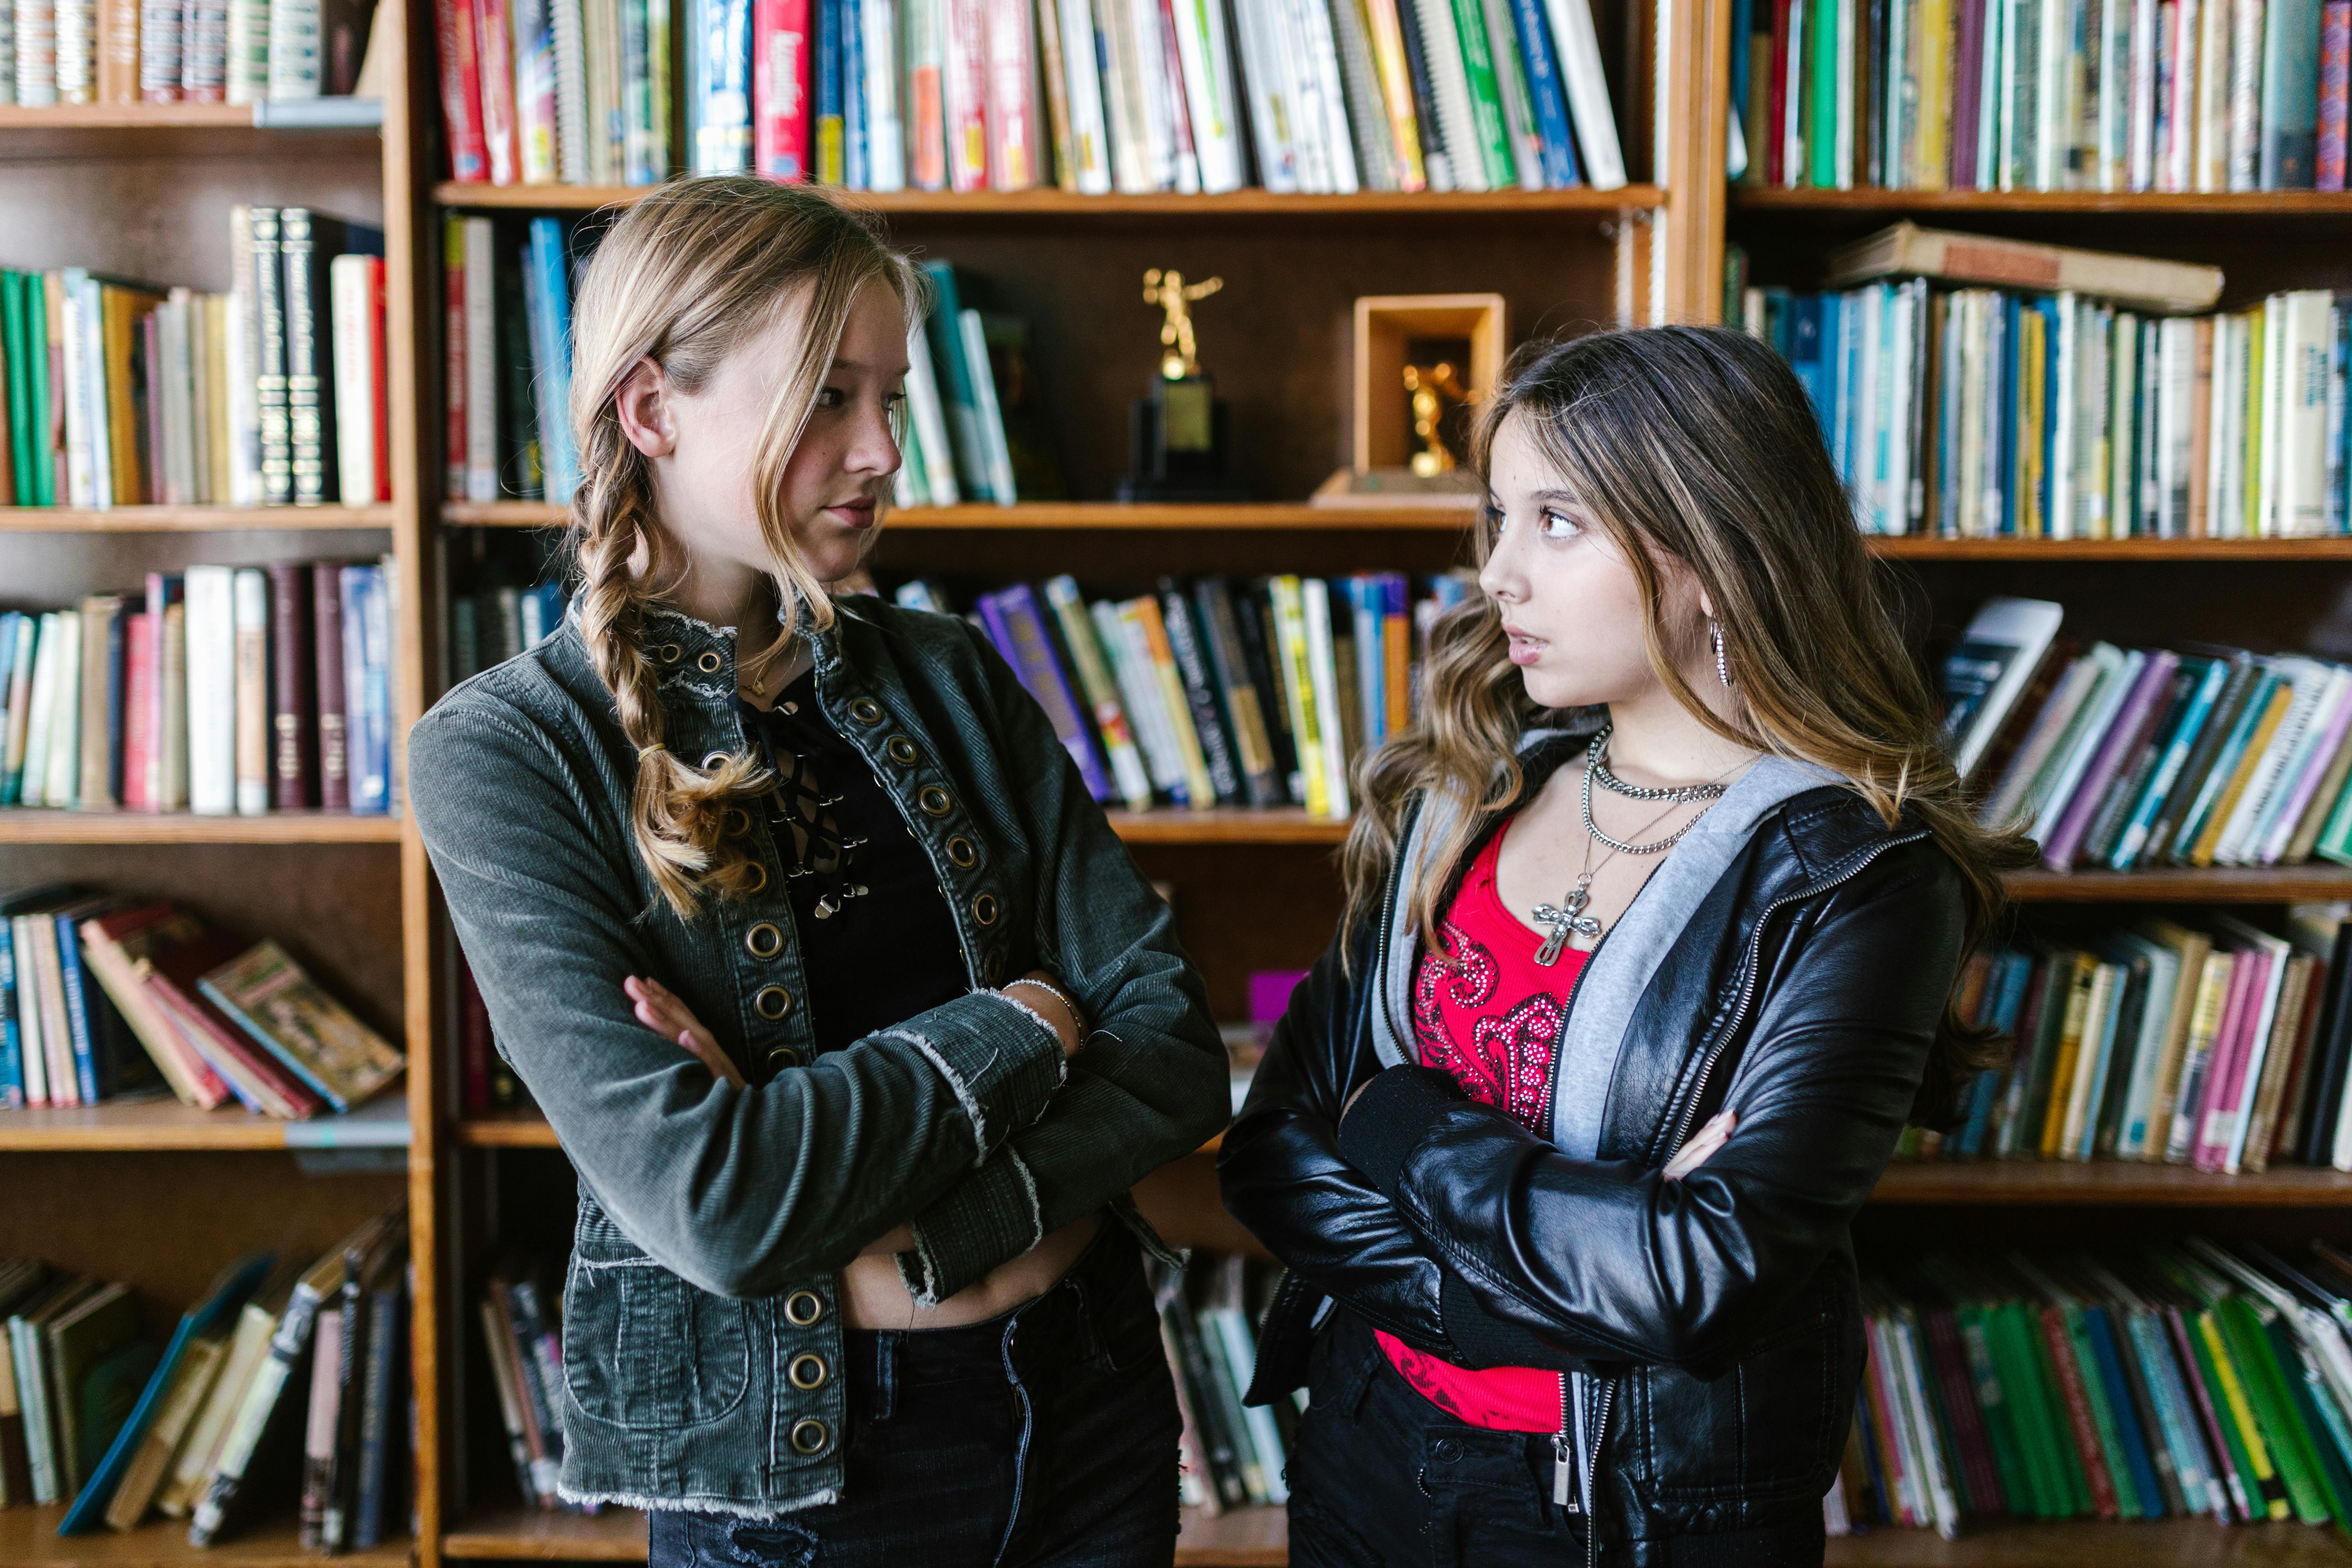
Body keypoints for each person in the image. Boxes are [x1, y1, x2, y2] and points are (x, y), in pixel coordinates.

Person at [408, 176, 1229, 1568]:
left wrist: (879, 1202)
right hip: (803, 1483)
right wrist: (1029, 1020)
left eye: (890, 400)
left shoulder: (956, 675)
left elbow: (1173, 1050)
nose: (880, 454)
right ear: (653, 410)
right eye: (827, 398)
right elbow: (722, 1204)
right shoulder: (505, 754)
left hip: (1092, 1406)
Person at [1217, 325, 2031, 1567]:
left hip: (1630, 1512)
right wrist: (1580, 1263)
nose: (1498, 575)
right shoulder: (1459, 797)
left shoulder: (1860, 880)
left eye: (1559, 522)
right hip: (1363, 1441)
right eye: (1498, 517)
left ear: (1709, 544)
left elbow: (1697, 1279)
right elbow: (1273, 1155)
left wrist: (1390, 1121)